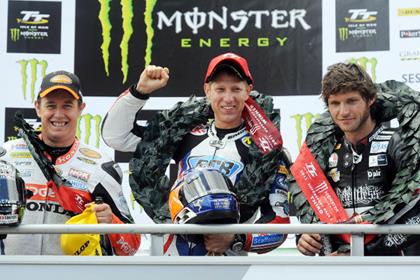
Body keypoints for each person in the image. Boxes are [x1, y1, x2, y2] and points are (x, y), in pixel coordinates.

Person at [102, 52, 291, 256]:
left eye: (236, 89)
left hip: (228, 263)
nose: (228, 98)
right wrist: (140, 92)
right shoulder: (183, 133)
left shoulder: (266, 148)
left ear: (248, 91)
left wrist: (235, 239)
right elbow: (115, 136)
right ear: (207, 91)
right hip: (171, 255)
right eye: (220, 89)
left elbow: (279, 223)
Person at [0, 70, 140, 255]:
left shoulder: (100, 166)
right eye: (51, 105)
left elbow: (131, 247)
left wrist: (110, 221)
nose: (58, 114)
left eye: (67, 106)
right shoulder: (6, 156)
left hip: (70, 273)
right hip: (12, 271)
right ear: (38, 107)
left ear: (80, 108)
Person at [290, 62, 420, 256]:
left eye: (351, 101)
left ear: (371, 99)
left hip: (392, 268)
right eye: (335, 103)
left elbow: (416, 216)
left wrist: (360, 254)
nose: (343, 112)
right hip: (336, 267)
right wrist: (305, 238)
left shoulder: (398, 143)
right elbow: (312, 209)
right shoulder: (322, 150)